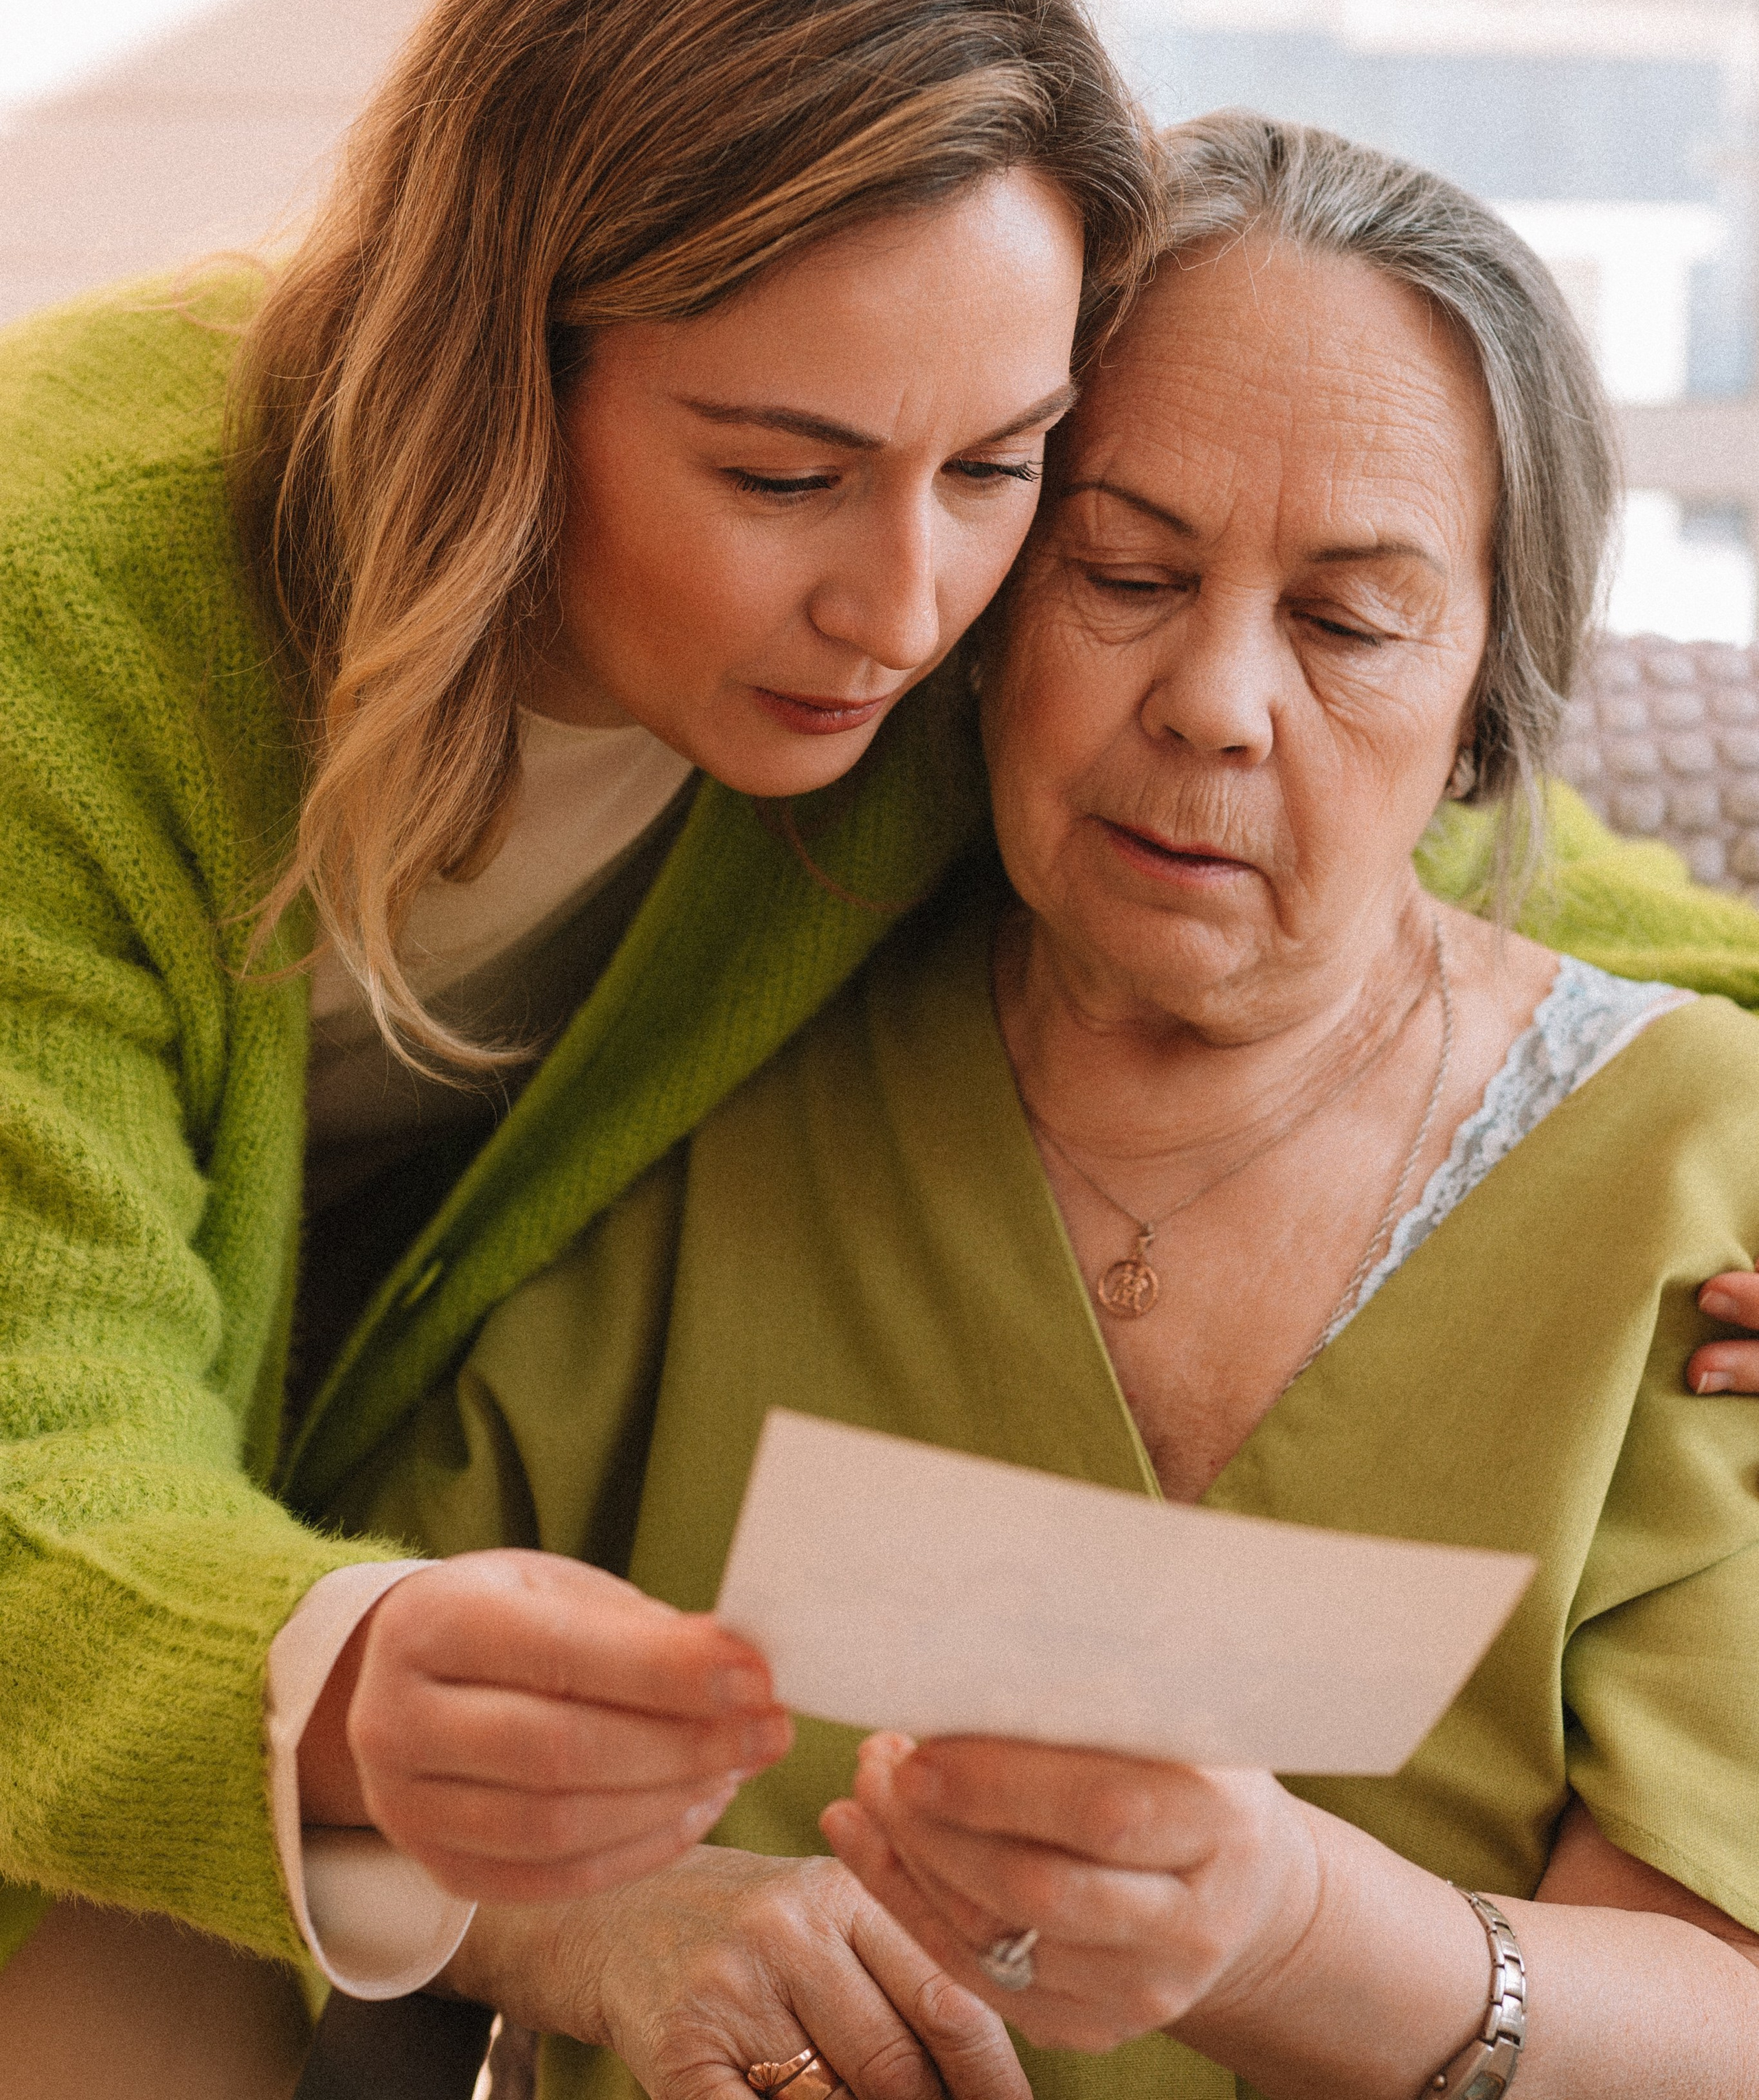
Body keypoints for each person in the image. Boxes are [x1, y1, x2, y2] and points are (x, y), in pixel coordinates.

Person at [347, 114, 1759, 2099]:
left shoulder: (1688, 1160)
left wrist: (1289, 1934)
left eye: (1350, 624)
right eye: (1124, 568)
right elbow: (350, 1721)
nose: (1215, 700)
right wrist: (601, 1933)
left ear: (1484, 716)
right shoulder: (729, 1048)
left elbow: (1712, 1998)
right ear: (986, 605)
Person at [0, 0, 1163, 2090]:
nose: (908, 605)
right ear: (499, 365)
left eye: (1002, 463)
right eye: (778, 473)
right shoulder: (71, 594)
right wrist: (342, 1674)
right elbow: (34, 1417)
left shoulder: (938, 644)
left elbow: (1376, 820)